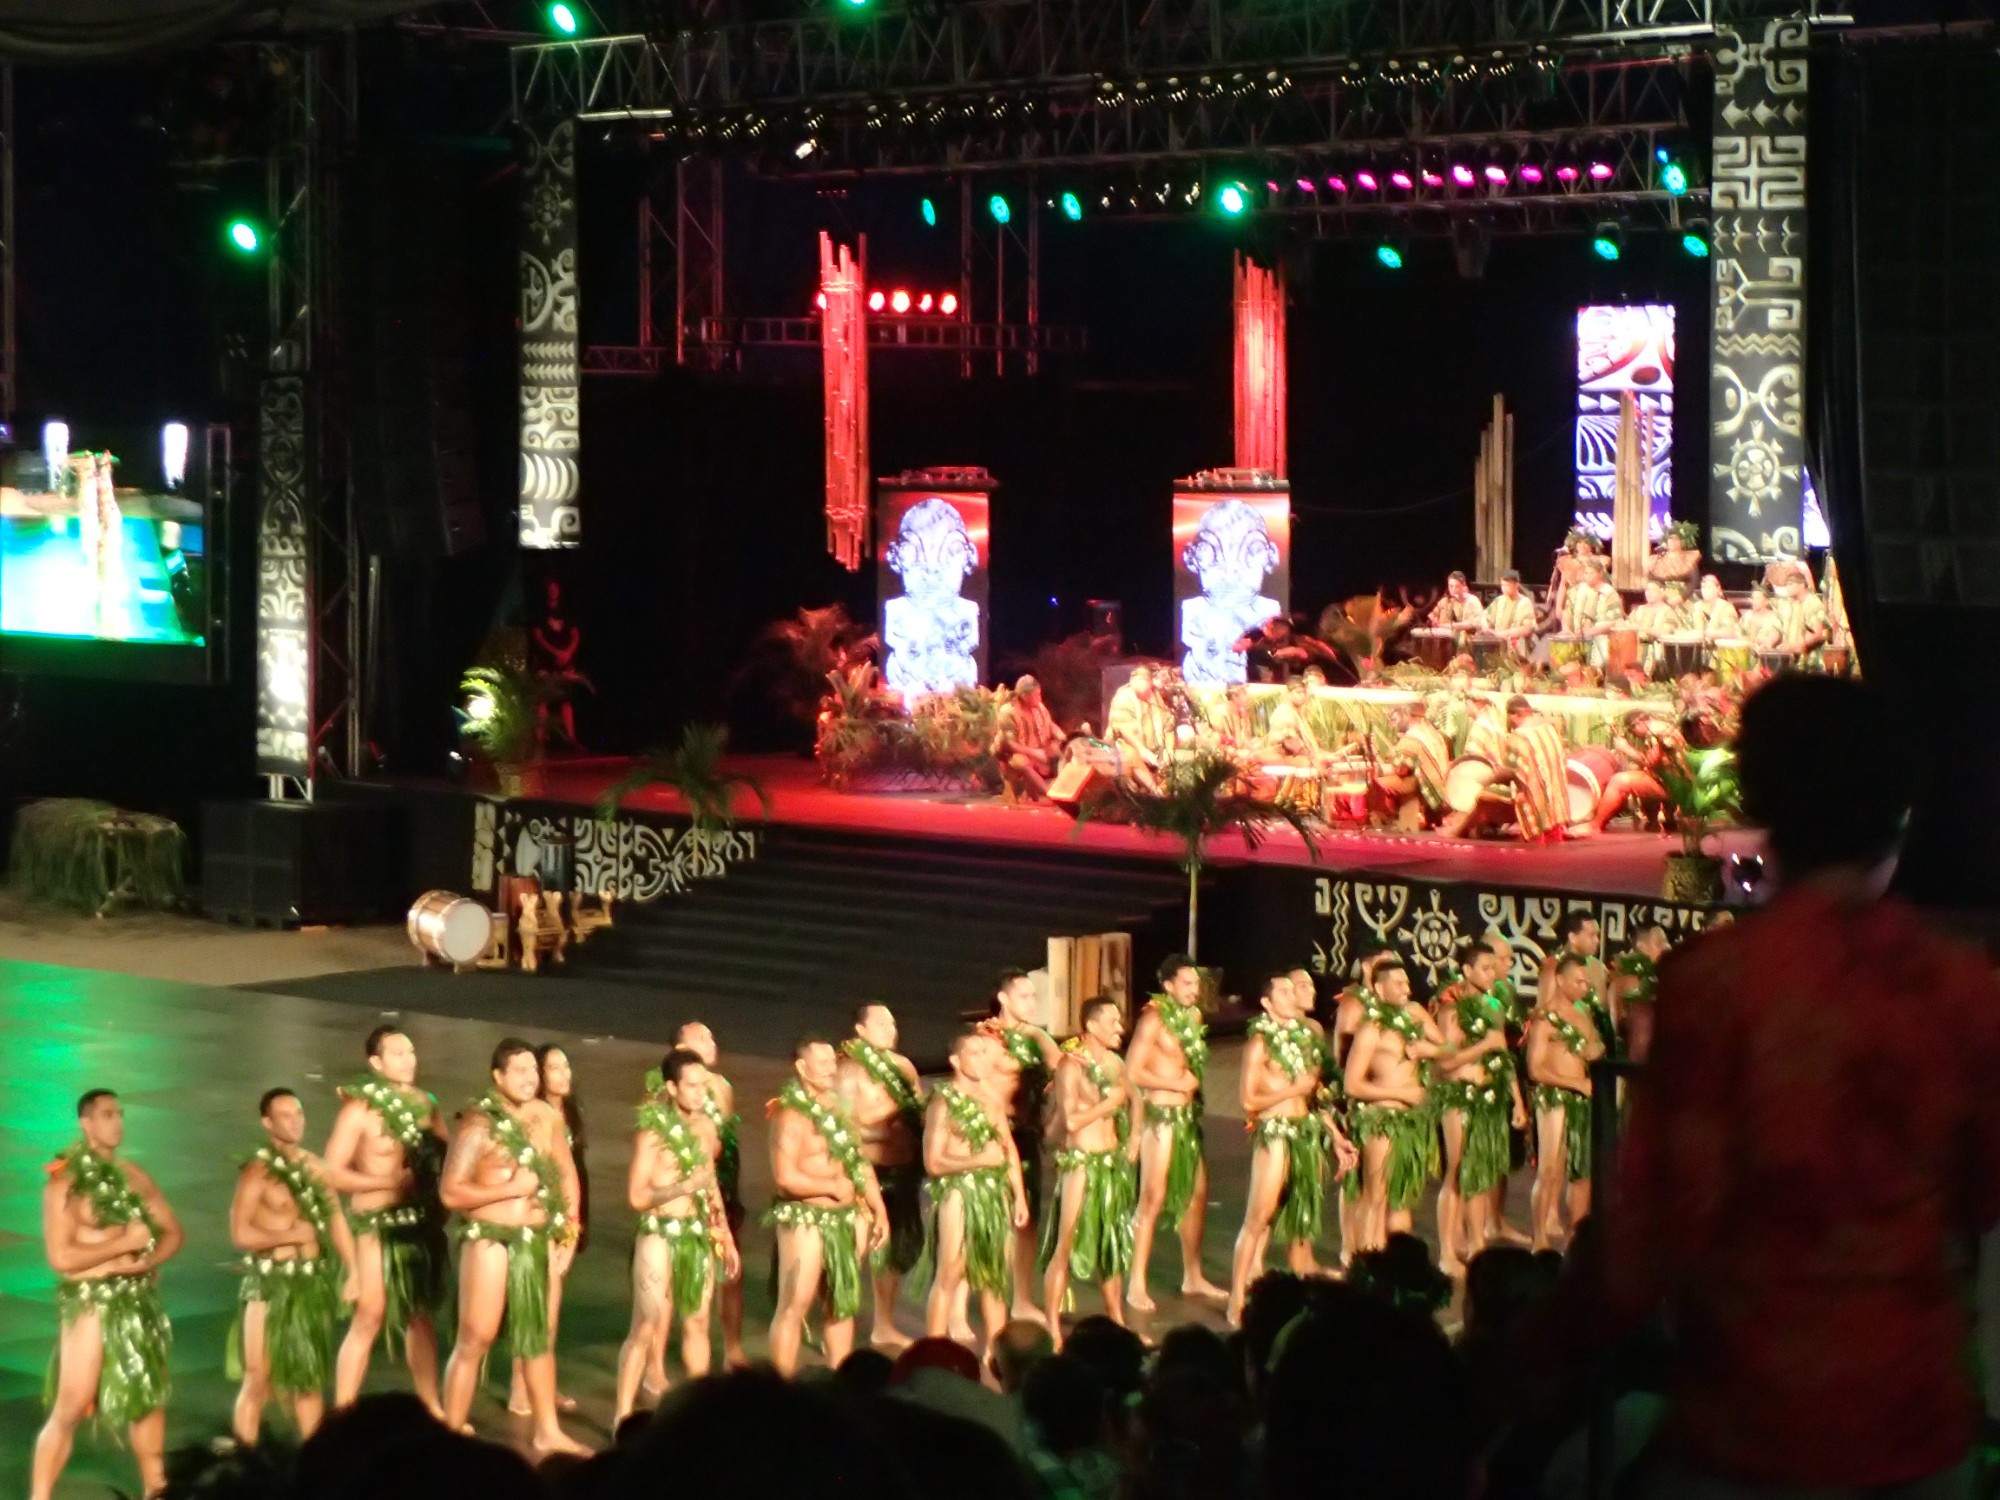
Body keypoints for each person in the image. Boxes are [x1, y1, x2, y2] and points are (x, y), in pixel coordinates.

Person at [1568, 675, 2000, 1499]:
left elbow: (1660, 1221)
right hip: (1914, 1425)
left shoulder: (1711, 984)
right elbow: (1982, 1196)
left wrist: (1538, 1354)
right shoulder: (1959, 987)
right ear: (1902, 810)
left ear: (1764, 810)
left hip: (1746, 1431)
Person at [31, 1089, 184, 1500]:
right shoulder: (65, 1184)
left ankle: (156, 1489)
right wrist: (121, 1246)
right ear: (86, 1123)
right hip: (92, 1305)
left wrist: (147, 1262)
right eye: (107, 1115)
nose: (117, 1122)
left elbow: (173, 1232)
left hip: (137, 1304)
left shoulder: (135, 1177)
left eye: (119, 1114)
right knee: (71, 1405)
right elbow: (60, 1257)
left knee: (148, 1401)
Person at [438, 1038, 585, 1456]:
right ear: (497, 1077)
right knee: (476, 1337)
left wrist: (569, 1232)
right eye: (518, 1072)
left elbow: (566, 1174)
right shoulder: (477, 1123)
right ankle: (450, 1433)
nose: (528, 1079)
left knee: (537, 1338)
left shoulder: (544, 1116)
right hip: (491, 1240)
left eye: (532, 1072)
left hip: (535, 1239)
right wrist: (512, 1187)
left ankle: (547, 1432)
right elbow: (450, 1193)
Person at [323, 1025, 448, 1415]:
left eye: (411, 1052)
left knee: (419, 1315)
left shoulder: (427, 1103)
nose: (408, 1060)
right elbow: (331, 1173)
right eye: (397, 1054)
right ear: (375, 1063)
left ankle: (431, 1405)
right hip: (375, 1224)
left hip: (417, 1223)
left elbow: (447, 1157)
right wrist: (386, 1180)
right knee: (370, 1314)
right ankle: (344, 1411)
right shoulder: (358, 1110)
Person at [613, 1047, 739, 1423]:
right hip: (658, 1234)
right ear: (671, 1087)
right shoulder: (651, 1134)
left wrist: (725, 1235)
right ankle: (622, 1414)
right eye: (693, 1086)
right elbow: (637, 1197)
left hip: (696, 1233)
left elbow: (709, 1185)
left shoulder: (705, 1126)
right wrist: (683, 1186)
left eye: (705, 1085)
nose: (702, 1093)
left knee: (699, 1322)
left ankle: (698, 1415)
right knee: (646, 1324)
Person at [229, 1087, 357, 1444]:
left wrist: (355, 1271)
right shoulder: (257, 1172)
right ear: (267, 1122)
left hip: (310, 1285)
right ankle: (246, 1462)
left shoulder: (316, 1167)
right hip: (270, 1286)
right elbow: (241, 1234)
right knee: (258, 1378)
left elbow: (335, 1222)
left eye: (298, 1113)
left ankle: (313, 1467)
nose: (295, 1121)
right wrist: (289, 1235)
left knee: (308, 1378)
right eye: (285, 1115)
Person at [1227, 976, 1346, 1325]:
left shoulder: (1306, 1038)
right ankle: (1236, 1297)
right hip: (1275, 1134)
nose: (1293, 995)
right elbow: (1248, 1100)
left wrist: (1336, 1136)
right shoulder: (1260, 1044)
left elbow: (1311, 1098)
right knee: (1258, 1218)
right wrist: (1290, 1089)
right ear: (1266, 1003)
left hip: (1305, 1132)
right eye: (1284, 991)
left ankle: (1300, 1301)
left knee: (1300, 1219)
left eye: (1294, 990)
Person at [768, 1037, 889, 1376]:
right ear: (801, 1067)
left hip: (846, 1218)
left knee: (842, 1304)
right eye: (820, 1063)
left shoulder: (839, 1109)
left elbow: (859, 1160)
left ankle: (839, 1382)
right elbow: (785, 1176)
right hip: (805, 1219)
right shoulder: (790, 1115)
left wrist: (877, 1206)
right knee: (795, 1303)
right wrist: (832, 1187)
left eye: (831, 1062)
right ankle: (783, 1389)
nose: (829, 1069)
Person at [1126, 954, 1226, 1311]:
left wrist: (1189, 1084)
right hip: (1161, 1117)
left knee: (1197, 1193)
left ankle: (1193, 1274)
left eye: (1196, 984)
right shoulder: (1153, 1020)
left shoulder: (1194, 1017)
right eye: (1186, 983)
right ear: (1168, 985)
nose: (1193, 990)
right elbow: (1132, 1071)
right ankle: (1135, 1282)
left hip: (1185, 1118)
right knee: (1152, 1197)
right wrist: (1174, 1082)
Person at [917, 1030, 1028, 1352]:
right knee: (950, 1271)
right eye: (974, 1053)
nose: (982, 1059)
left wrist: (1018, 1194)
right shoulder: (943, 1102)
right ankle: (934, 1350)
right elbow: (933, 1163)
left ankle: (997, 1353)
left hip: (995, 1193)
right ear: (956, 1060)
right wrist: (978, 1159)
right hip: (958, 1193)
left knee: (994, 1275)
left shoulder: (992, 1098)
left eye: (984, 1052)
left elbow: (1007, 1149)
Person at [1041, 998, 1137, 1340]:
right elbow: (1071, 1120)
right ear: (1091, 1026)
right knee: (1065, 1245)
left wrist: (1135, 1138)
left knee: (1111, 1247)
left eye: (1119, 1021)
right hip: (1080, 1164)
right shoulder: (1071, 1067)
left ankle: (1117, 1320)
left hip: (1110, 1164)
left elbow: (1135, 1099)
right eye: (1111, 1021)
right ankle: (1052, 1327)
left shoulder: (1115, 1063)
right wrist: (1108, 1105)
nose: (1119, 1028)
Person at [1429, 944, 1527, 1276]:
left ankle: (1477, 1247)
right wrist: (1484, 1045)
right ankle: (1446, 1252)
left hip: (1490, 1096)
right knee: (1457, 1174)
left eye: (1493, 967)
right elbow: (1445, 1063)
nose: (1493, 973)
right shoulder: (1450, 1010)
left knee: (1481, 1176)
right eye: (1484, 968)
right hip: (1459, 1096)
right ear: (1466, 971)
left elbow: (1503, 1058)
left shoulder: (1494, 1005)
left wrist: (1517, 1100)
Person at [1343, 958, 1449, 1255]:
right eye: (1398, 984)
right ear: (1379, 988)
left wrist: (1432, 1049)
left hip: (1411, 1120)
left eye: (1407, 982)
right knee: (1375, 1197)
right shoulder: (1370, 1030)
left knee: (1402, 1196)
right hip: (1382, 1119)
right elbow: (1351, 1085)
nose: (1407, 988)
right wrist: (1400, 1094)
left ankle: (1396, 1264)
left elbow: (1450, 1048)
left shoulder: (1415, 1014)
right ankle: (1368, 1263)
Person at [658, 1019, 745, 1377]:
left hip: (720, 1187)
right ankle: (655, 1363)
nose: (712, 1042)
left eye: (712, 1035)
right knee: (668, 1287)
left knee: (729, 1272)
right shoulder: (663, 1094)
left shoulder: (721, 1087)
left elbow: (724, 1139)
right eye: (701, 1038)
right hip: (678, 1200)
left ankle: (733, 1347)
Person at [838, 1003, 925, 1348]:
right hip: (867, 1172)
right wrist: (886, 1123)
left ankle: (884, 1324)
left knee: (892, 1253)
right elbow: (844, 1129)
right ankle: (838, 1321)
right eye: (881, 1023)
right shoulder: (849, 1072)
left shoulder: (904, 1067)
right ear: (860, 1031)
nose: (891, 1028)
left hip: (902, 1170)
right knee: (857, 1248)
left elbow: (917, 1114)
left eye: (893, 1021)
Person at [508, 1042, 585, 1416]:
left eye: (566, 1065)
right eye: (554, 1068)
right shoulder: (529, 1118)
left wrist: (571, 1229)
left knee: (550, 1314)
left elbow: (572, 1173)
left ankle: (542, 1385)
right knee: (535, 1311)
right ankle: (519, 1390)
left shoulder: (566, 1113)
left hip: (562, 1219)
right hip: (533, 1219)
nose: (563, 1073)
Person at [986, 968, 1061, 1317]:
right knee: (996, 1220)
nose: (1031, 1004)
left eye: (1034, 997)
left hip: (1027, 1135)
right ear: (1003, 999)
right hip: (995, 1137)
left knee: (1027, 1219)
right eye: (1024, 997)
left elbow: (1062, 1068)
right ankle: (988, 1298)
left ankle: (1022, 1299)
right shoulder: (986, 1038)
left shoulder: (1036, 1037)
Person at [1525, 955, 1603, 1250]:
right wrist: (1576, 1084)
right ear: (1559, 980)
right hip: (1554, 1098)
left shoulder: (1583, 1013)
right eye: (1578, 981)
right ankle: (1540, 1238)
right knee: (1549, 1170)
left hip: (1582, 1099)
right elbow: (1535, 1069)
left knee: (1580, 1170)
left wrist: (1595, 1052)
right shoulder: (1545, 1017)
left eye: (1587, 982)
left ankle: (1575, 1236)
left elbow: (1593, 1048)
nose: (1585, 987)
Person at [882, 496, 981, 698]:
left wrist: (956, 645)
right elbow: (891, 638)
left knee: (965, 674)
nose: (932, 571)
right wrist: (909, 650)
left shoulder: (966, 609)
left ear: (967, 558)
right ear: (897, 558)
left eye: (950, 552)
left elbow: (972, 640)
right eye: (914, 553)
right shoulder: (897, 608)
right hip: (910, 675)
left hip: (952, 675)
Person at [1178, 497, 1282, 685]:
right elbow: (1192, 641)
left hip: (1249, 681)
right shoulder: (1194, 608)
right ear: (1191, 556)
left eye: (1252, 551)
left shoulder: (1268, 609)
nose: (1231, 568)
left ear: (1270, 555)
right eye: (1210, 551)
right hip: (1206, 678)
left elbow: (1272, 647)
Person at [1582, 712, 1682, 838]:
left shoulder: (1655, 733)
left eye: (1631, 730)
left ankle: (1594, 826)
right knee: (1643, 775)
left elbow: (1650, 761)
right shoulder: (1665, 726)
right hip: (1677, 780)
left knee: (1619, 781)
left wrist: (1626, 748)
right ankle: (1665, 821)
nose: (1633, 734)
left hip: (1675, 783)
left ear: (1638, 723)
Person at [1539, 910, 1613, 1045]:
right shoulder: (1553, 968)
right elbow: (1545, 1013)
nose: (1597, 940)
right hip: (1565, 1046)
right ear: (1572, 937)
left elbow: (1604, 1011)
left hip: (1597, 1047)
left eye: (1597, 935)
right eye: (1591, 935)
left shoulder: (1597, 967)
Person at [1377, 701, 1452, 829]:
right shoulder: (1433, 733)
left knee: (1379, 783)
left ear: (1406, 715)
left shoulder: (1412, 738)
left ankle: (1386, 820)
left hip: (1429, 792)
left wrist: (1378, 769)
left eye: (1396, 718)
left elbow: (1401, 769)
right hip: (1443, 788)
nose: (1394, 724)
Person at [1608, 921, 1671, 1064]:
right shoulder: (1630, 981)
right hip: (1635, 1065)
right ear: (1641, 947)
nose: (1667, 947)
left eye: (1667, 942)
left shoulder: (1659, 979)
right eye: (1660, 943)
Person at [993, 675, 1064, 800]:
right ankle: (1052, 795)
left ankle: (1065, 790)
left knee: (1061, 751)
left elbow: (1049, 724)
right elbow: (1011, 745)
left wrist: (1062, 737)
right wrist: (1035, 753)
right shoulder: (1008, 712)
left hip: (1039, 749)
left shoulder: (1039, 707)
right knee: (1021, 762)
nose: (1039, 698)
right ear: (1025, 696)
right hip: (1012, 754)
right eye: (1036, 695)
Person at [1104, 665, 1172, 793]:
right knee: (1129, 755)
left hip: (1157, 753)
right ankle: (1155, 791)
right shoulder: (1123, 698)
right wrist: (1143, 751)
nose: (1146, 694)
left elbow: (1168, 724)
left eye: (1148, 689)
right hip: (1126, 749)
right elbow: (1124, 730)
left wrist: (1168, 750)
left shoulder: (1154, 697)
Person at [1559, 557, 1625, 665]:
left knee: (1600, 654)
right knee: (1560, 645)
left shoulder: (1609, 593)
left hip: (1602, 636)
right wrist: (1567, 629)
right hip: (1577, 635)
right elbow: (1567, 611)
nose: (1587, 576)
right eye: (1585, 573)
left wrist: (1588, 632)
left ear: (1600, 574)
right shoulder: (1577, 590)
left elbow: (1616, 622)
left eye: (1591, 573)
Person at [1775, 572, 1830, 665]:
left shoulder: (1812, 602)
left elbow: (1818, 633)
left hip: (1811, 662)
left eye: (1790, 584)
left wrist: (1793, 646)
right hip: (1793, 661)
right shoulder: (1791, 604)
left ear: (1801, 585)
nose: (1787, 588)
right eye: (1787, 585)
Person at [1485, 570, 1539, 659]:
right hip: (1498, 645)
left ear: (1516, 585)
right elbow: (1485, 615)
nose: (1504, 588)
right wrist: (1487, 627)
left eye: (1507, 585)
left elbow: (1527, 628)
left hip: (1516, 647)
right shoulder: (1499, 600)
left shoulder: (1525, 602)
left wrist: (1504, 634)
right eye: (1502, 585)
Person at [1427, 571, 1488, 635]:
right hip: (1449, 634)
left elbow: (1471, 624)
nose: (1453, 589)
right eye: (1451, 586)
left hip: (1474, 636)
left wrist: (1444, 626)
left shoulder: (1472, 601)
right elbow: (1432, 616)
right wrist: (1434, 621)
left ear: (1463, 585)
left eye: (1457, 586)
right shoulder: (1446, 601)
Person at [1690, 574, 1740, 640]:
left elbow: (1730, 632)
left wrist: (1705, 633)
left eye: (1708, 587)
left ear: (1717, 589)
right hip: (1698, 646)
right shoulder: (1697, 606)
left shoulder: (1726, 608)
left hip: (1720, 647)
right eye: (1703, 587)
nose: (1705, 590)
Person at [1739, 584, 1783, 652]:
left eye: (1757, 599)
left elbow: (1773, 638)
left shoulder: (1773, 618)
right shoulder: (1747, 616)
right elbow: (1738, 633)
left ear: (1766, 601)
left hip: (1765, 654)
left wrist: (1761, 641)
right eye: (1753, 598)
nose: (1754, 601)